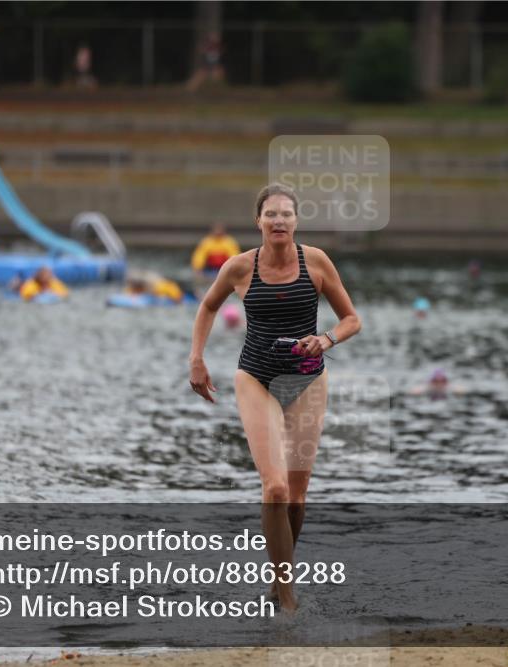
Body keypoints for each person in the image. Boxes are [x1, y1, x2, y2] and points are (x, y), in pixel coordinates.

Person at [189, 183, 361, 612]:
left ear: (296, 222)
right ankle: (287, 598)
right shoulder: (238, 268)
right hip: (257, 377)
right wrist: (196, 357)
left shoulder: (317, 262)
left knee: (298, 497)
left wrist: (326, 339)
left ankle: (277, 573)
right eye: (272, 214)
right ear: (259, 222)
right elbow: (209, 306)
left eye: (287, 214)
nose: (279, 220)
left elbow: (352, 319)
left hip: (307, 379)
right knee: (276, 488)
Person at [191, 223, 240, 294]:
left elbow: (235, 256)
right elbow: (199, 257)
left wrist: (234, 270)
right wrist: (198, 269)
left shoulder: (229, 242)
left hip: (224, 270)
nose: (218, 232)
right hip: (209, 270)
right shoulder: (207, 242)